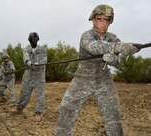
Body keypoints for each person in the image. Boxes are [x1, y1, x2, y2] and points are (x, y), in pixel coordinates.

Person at [55, 4, 140, 136]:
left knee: (113, 115)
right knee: (66, 109)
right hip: (82, 79)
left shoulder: (113, 37)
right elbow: (93, 47)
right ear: (93, 19)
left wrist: (112, 60)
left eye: (107, 20)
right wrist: (119, 46)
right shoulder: (87, 35)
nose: (103, 23)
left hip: (104, 79)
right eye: (100, 19)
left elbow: (118, 62)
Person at [15, 32, 47, 122]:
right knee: (24, 92)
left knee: (40, 94)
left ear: (38, 39)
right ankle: (19, 108)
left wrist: (39, 63)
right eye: (32, 38)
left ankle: (38, 113)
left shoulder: (42, 49)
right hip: (28, 75)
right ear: (29, 40)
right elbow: (25, 57)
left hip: (39, 75)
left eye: (36, 38)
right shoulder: (26, 49)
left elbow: (44, 58)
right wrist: (28, 62)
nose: (34, 39)